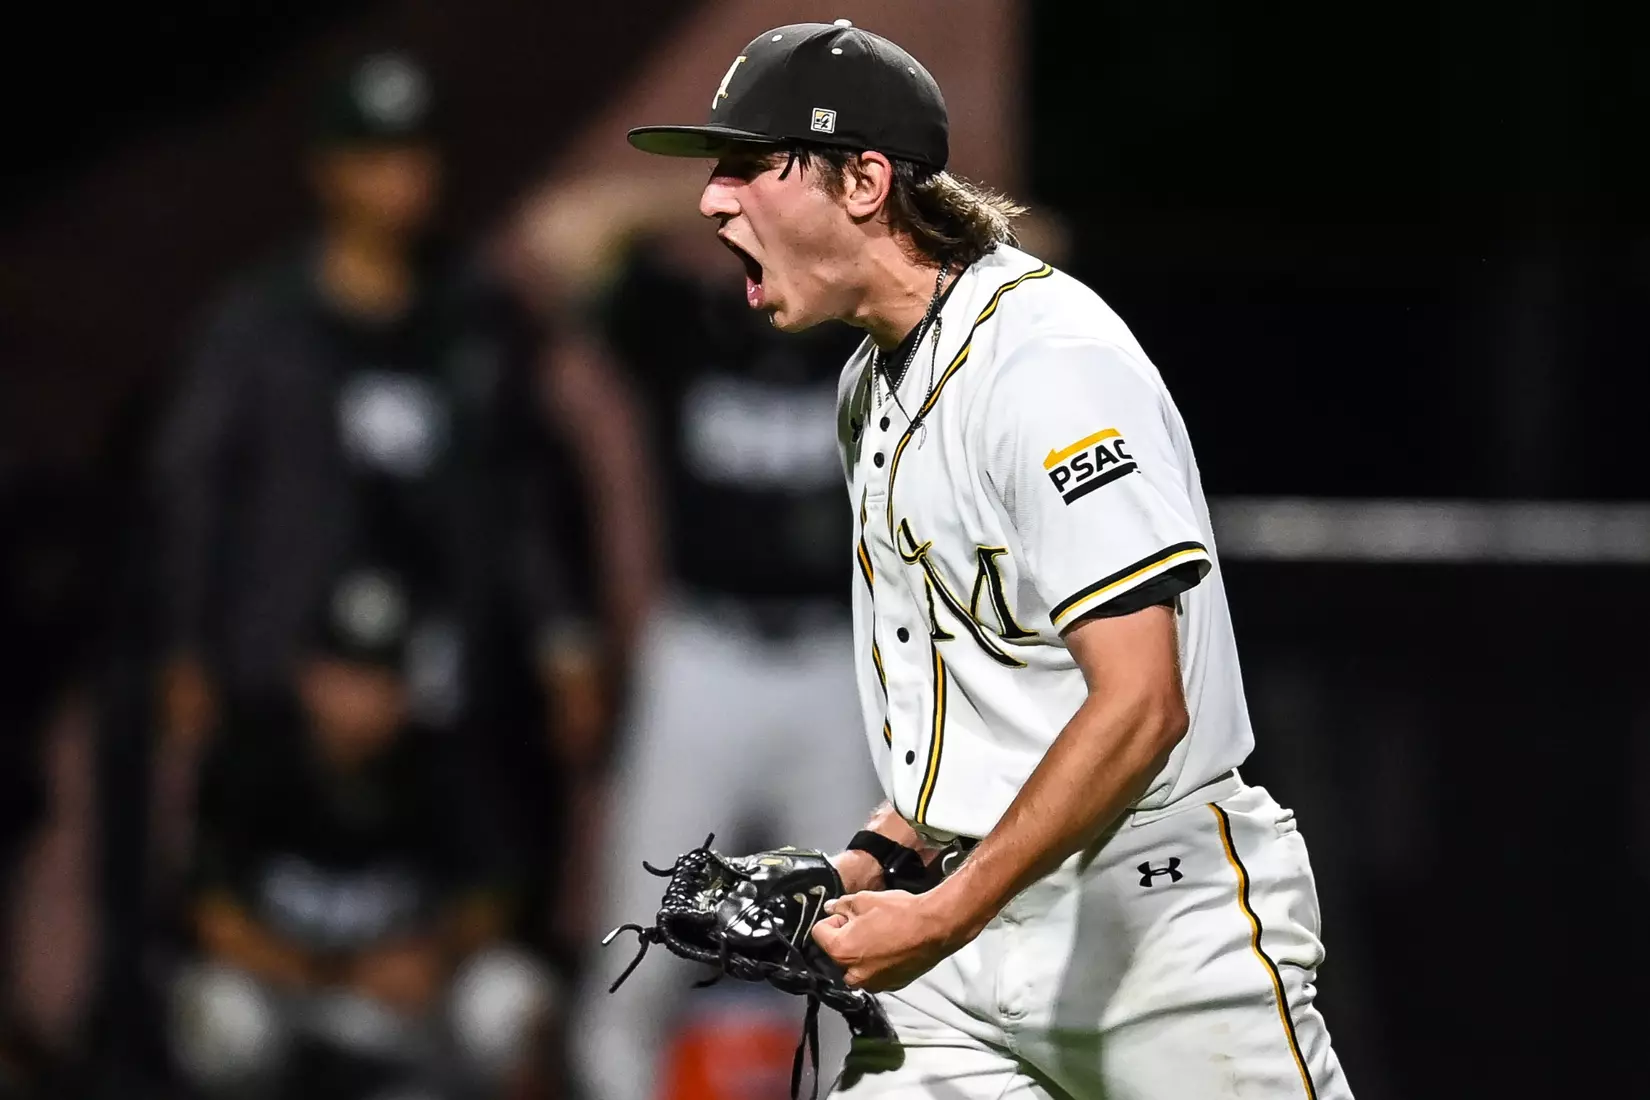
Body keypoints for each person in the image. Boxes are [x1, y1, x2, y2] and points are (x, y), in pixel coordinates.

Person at [621, 19, 1355, 1099]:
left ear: (864, 179)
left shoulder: (1047, 364)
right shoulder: (869, 384)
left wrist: (943, 911)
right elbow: (969, 735)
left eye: (746, 164)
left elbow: (1144, 702)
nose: (711, 199)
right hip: (963, 955)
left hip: (1153, 925)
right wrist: (861, 865)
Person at [151, 47, 600, 759]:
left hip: (447, 674)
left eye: (421, 154)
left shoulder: (476, 317)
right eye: (379, 158)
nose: (408, 180)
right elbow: (196, 486)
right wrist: (185, 643)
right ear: (328, 170)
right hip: (291, 671)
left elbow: (527, 489)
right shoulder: (260, 324)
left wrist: (563, 634)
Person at [557, 200, 882, 1100]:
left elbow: (1027, 252)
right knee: (638, 943)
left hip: (830, 668)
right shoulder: (684, 324)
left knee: (843, 955)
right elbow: (563, 236)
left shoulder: (864, 335)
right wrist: (708, 197)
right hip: (702, 656)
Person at [170, 563, 553, 1099]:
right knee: (216, 1012)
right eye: (343, 674)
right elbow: (211, 916)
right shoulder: (253, 755)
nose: (358, 698)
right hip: (290, 993)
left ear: (405, 691)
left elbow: (494, 896)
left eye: (378, 679)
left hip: (402, 1005)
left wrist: (439, 953)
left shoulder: (445, 763)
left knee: (511, 995)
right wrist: (340, 970)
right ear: (307, 675)